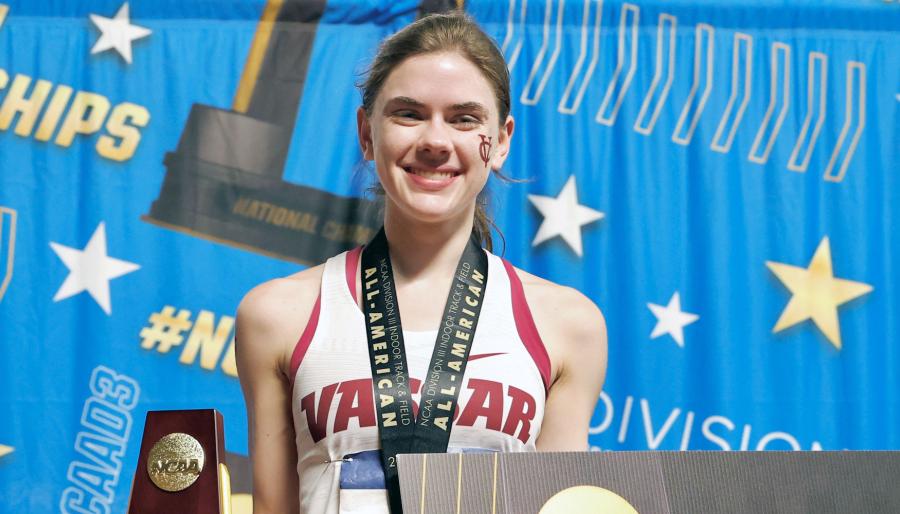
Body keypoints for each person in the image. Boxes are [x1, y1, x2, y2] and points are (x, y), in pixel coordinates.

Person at [235, 11, 607, 514]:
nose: (435, 141)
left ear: (499, 141)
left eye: (464, 118)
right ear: (367, 134)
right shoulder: (277, 315)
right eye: (408, 114)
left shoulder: (568, 325)